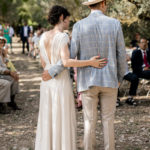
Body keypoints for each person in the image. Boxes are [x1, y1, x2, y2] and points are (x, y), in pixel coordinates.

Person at [42, 1, 126, 150]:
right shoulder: (115, 24)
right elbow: (121, 54)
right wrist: (119, 79)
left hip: (87, 81)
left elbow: (71, 56)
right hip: (109, 80)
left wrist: (53, 70)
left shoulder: (79, 26)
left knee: (89, 120)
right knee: (108, 120)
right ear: (103, 4)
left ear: (89, 6)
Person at [35, 5, 107, 150]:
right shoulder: (62, 36)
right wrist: (90, 62)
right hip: (60, 81)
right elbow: (66, 61)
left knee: (48, 115)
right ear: (62, 17)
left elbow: (43, 63)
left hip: (47, 81)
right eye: (68, 19)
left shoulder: (42, 37)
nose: (68, 22)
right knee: (62, 115)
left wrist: (49, 70)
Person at [0, 36, 20, 111]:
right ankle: (1, 104)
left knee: (15, 79)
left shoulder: (2, 52)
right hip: (2, 74)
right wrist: (9, 72)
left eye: (3, 42)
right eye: (0, 42)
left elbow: (8, 63)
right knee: (6, 83)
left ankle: (11, 101)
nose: (1, 44)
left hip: (3, 74)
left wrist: (14, 71)